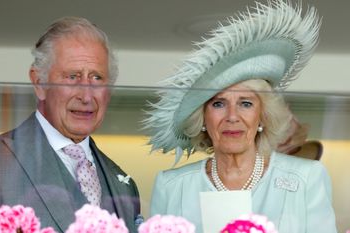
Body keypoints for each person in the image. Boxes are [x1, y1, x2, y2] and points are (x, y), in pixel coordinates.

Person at [143, 1, 337, 232]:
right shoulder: (172, 186)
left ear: (262, 116)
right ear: (203, 118)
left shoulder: (307, 178)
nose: (232, 116)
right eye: (218, 103)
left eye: (245, 103)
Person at [0, 17, 141, 233]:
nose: (86, 95)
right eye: (72, 77)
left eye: (97, 77)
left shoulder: (124, 184)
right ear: (39, 84)